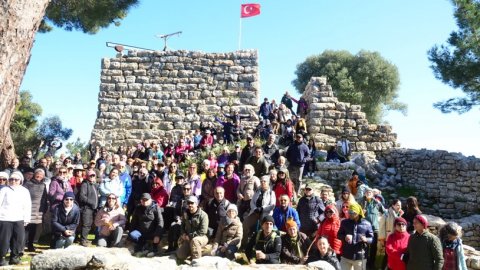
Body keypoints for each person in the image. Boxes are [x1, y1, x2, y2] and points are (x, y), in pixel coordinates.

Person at [0, 172, 31, 266]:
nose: (13, 181)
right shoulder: (4, 190)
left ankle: (14, 257)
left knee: (18, 239)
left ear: (20, 181)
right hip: (5, 218)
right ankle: (1, 258)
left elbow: (27, 206)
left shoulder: (25, 191)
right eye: (11, 179)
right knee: (3, 240)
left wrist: (27, 218)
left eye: (16, 179)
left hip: (19, 218)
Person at [241, 175, 276, 248]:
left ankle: (261, 247)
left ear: (268, 182)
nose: (262, 182)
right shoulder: (257, 190)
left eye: (264, 181)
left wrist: (262, 208)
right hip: (255, 212)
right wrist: (255, 208)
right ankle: (244, 244)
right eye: (261, 181)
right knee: (245, 224)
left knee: (264, 229)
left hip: (265, 213)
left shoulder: (271, 193)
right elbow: (252, 202)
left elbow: (272, 205)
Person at [337, 202, 374, 270]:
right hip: (346, 255)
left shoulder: (367, 224)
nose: (350, 214)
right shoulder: (344, 222)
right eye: (349, 212)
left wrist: (366, 239)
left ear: (358, 213)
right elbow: (338, 235)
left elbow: (372, 239)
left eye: (353, 213)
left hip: (360, 257)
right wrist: (344, 237)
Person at [359, 187, 386, 268]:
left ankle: (372, 264)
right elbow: (356, 214)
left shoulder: (377, 203)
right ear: (364, 193)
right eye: (367, 192)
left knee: (374, 247)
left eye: (370, 192)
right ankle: (364, 263)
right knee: (364, 246)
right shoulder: (361, 202)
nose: (368, 193)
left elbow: (384, 212)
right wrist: (361, 213)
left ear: (372, 194)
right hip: (364, 228)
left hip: (375, 229)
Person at [177, 196, 209, 260]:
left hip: (201, 237)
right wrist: (183, 233)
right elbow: (182, 225)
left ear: (196, 204)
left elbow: (203, 231)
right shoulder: (185, 213)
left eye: (192, 203)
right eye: (188, 203)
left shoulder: (203, 215)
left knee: (195, 241)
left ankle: (196, 260)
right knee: (180, 255)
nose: (190, 205)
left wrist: (190, 236)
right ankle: (192, 252)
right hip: (188, 238)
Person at [23, 168, 48, 252]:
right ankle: (22, 245)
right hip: (28, 208)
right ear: (34, 174)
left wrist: (44, 209)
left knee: (33, 228)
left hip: (38, 210)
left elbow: (44, 197)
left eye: (41, 175)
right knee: (25, 228)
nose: (39, 176)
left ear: (43, 176)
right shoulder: (28, 184)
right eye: (38, 174)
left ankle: (30, 244)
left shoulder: (43, 185)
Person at [77, 170, 99, 246]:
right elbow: (82, 197)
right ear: (87, 176)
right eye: (90, 175)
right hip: (86, 208)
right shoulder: (85, 184)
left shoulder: (93, 185)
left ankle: (85, 239)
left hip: (93, 208)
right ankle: (83, 240)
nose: (92, 177)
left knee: (89, 224)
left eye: (93, 176)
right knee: (86, 224)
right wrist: (92, 202)